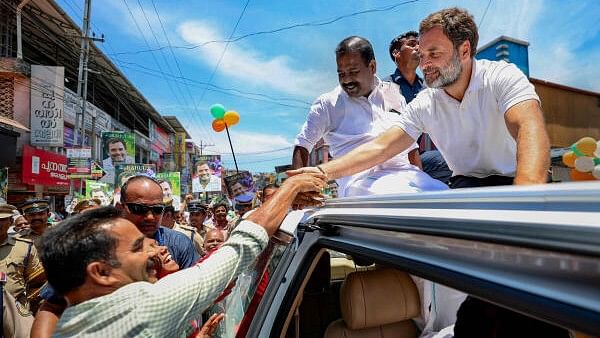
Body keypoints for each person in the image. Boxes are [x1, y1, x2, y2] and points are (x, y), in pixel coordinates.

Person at [37, 172, 326, 336]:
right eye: (139, 247)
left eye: (158, 210)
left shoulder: (73, 325)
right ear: (99, 272)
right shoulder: (145, 306)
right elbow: (238, 250)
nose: (157, 248)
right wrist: (293, 186)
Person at [290, 8, 550, 189]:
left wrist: (526, 193)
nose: (424, 64)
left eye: (433, 54)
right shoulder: (427, 102)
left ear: (465, 50)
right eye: (422, 55)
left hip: (517, 179)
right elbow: (381, 148)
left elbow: (528, 125)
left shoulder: (501, 76)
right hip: (466, 185)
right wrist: (320, 172)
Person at [292, 36, 447, 197]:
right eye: (341, 73)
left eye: (353, 72)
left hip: (408, 175)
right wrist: (297, 190)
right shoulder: (327, 104)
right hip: (361, 183)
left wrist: (420, 175)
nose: (346, 80)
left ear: (372, 66)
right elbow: (303, 144)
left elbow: (410, 146)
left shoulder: (394, 95)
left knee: (448, 198)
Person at [387, 31, 452, 184]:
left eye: (419, 44)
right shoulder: (385, 88)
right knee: (449, 162)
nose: (418, 47)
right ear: (396, 53)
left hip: (426, 156)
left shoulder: (429, 87)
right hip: (397, 160)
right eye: (411, 44)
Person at [117, 175, 200, 269]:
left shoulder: (179, 243)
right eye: (139, 208)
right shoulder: (105, 246)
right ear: (120, 208)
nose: (150, 217)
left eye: (157, 209)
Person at [0, 204, 46, 315]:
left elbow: (37, 282)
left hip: (15, 313)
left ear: (10, 222)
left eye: (2, 219)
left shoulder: (25, 247)